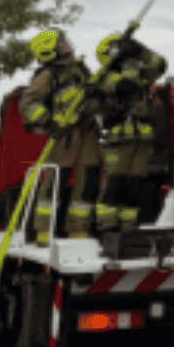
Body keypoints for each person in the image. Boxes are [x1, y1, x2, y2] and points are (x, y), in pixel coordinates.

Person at [19, 29, 103, 245]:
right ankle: (44, 231)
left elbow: (92, 96)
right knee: (54, 182)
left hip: (86, 131)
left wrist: (97, 98)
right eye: (61, 43)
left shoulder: (79, 69)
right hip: (64, 135)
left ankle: (77, 229)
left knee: (88, 182)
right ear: (50, 50)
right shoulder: (47, 75)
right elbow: (27, 103)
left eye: (64, 41)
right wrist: (49, 120)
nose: (66, 45)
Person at [93, 33, 168, 234]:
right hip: (118, 138)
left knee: (134, 186)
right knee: (115, 185)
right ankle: (107, 227)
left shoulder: (137, 71)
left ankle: (128, 227)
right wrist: (129, 61)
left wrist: (142, 50)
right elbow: (127, 86)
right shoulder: (104, 76)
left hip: (140, 138)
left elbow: (160, 65)